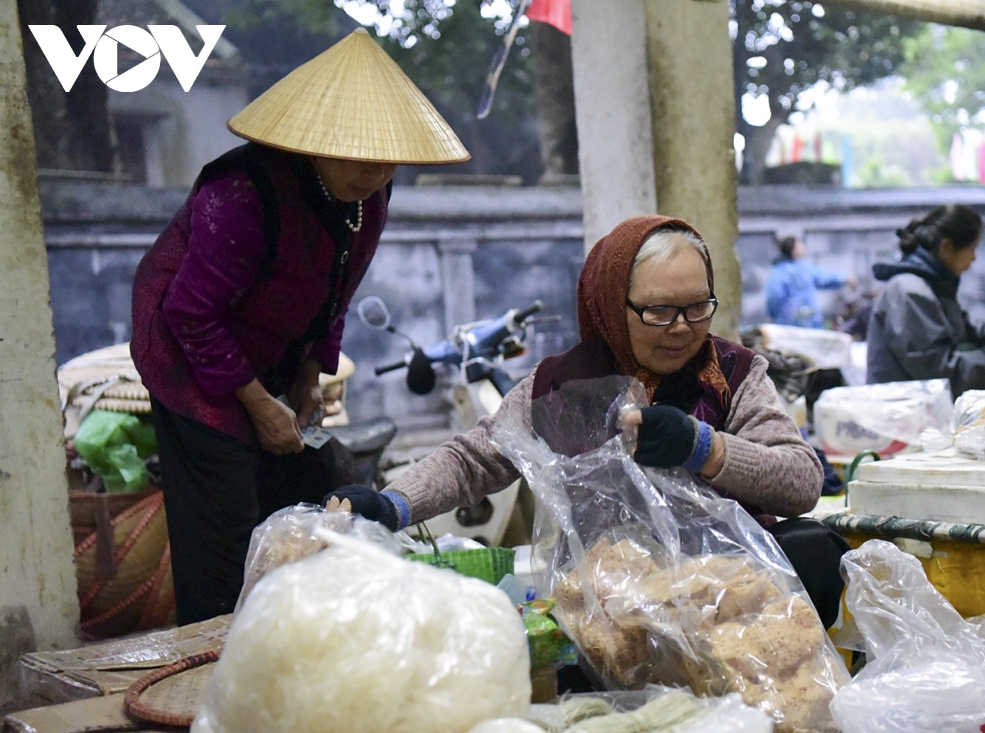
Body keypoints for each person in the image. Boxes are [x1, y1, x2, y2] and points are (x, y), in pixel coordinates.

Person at [331, 215, 851, 628]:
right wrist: (394, 503)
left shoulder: (734, 374)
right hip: (610, 605)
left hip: (728, 599)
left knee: (818, 550)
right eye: (659, 311)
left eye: (698, 308)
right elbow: (476, 459)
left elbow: (802, 480)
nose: (682, 329)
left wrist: (705, 447)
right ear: (609, 305)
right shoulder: (561, 386)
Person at [130, 28, 468, 625]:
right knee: (225, 530)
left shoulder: (372, 193)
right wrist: (259, 405)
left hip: (275, 352)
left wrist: (311, 375)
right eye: (356, 158)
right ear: (314, 144)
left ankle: (299, 645)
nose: (373, 173)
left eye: (385, 159)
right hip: (188, 358)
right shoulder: (239, 191)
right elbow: (191, 314)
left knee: (314, 497)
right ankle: (213, 673)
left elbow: (338, 289)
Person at [866, 204, 985, 397]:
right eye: (971, 249)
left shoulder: (932, 287)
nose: (974, 258)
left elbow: (962, 329)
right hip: (902, 416)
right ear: (945, 247)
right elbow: (937, 372)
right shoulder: (910, 292)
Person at [764, 236, 855, 328]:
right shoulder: (785, 270)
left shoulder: (795, 268)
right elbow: (775, 295)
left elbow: (823, 277)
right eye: (800, 244)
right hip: (796, 322)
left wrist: (844, 279)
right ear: (793, 249)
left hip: (799, 321)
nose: (803, 247)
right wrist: (844, 279)